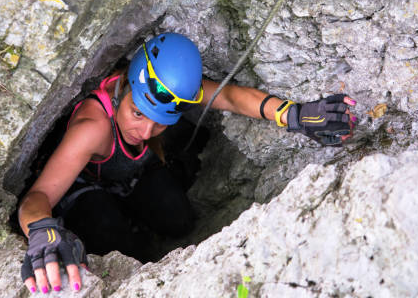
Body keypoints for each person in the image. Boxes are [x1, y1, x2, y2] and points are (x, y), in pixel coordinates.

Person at [18, 33, 356, 293]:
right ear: (126, 89)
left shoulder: (164, 91)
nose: (146, 130)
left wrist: (293, 114)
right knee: (117, 240)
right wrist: (41, 232)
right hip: (87, 189)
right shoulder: (92, 129)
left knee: (180, 220)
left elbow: (228, 96)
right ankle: (129, 234)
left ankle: (140, 223)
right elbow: (39, 197)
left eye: (160, 122)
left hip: (132, 176)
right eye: (138, 113)